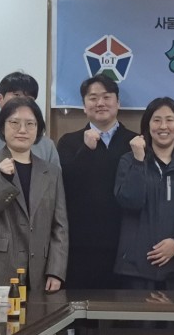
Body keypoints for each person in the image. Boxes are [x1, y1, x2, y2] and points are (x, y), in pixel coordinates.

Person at [114, 97, 174, 328]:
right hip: (137, 269)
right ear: (147, 125)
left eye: (169, 120)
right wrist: (138, 161)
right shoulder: (129, 160)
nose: (163, 126)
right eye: (156, 120)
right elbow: (130, 201)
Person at [0, 71, 60, 276]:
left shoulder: (45, 145)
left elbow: (56, 201)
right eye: (16, 95)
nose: (23, 101)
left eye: (30, 97)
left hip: (34, 249)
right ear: (0, 99)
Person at [57, 75, 138, 290]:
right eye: (93, 98)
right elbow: (64, 185)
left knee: (124, 308)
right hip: (81, 245)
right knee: (82, 307)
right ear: (84, 106)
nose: (100, 103)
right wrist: (86, 150)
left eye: (106, 97)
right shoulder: (69, 142)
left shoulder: (135, 142)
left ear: (118, 103)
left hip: (125, 245)